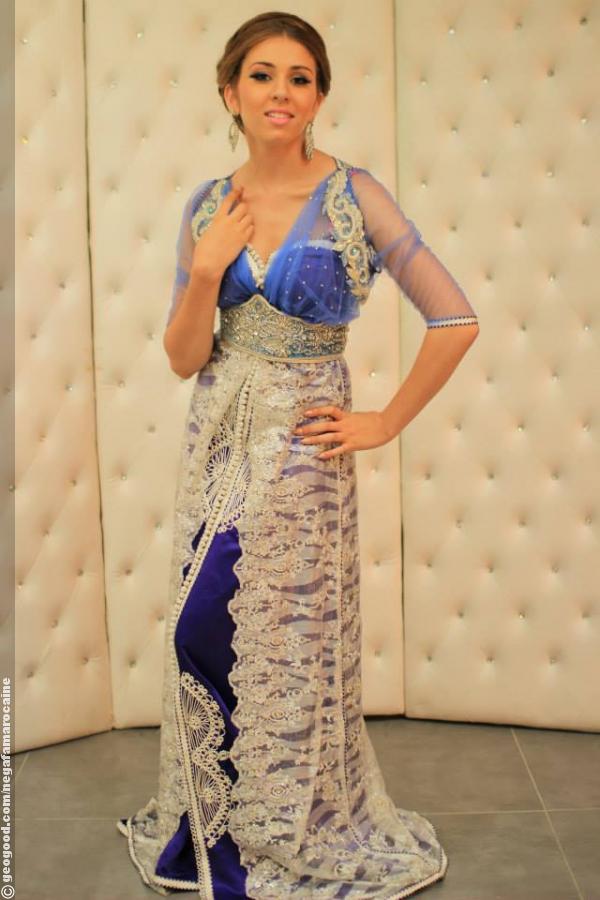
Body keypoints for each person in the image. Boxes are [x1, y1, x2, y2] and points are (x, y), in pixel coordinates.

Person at [117, 10, 479, 899]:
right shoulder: (208, 206)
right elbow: (182, 357)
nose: (281, 92)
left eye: (300, 78)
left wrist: (385, 420)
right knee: (199, 628)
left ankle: (289, 827)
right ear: (230, 92)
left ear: (318, 97)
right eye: (263, 75)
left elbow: (454, 316)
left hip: (306, 459)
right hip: (217, 441)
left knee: (290, 643)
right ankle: (212, 826)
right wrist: (207, 270)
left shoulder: (355, 195)